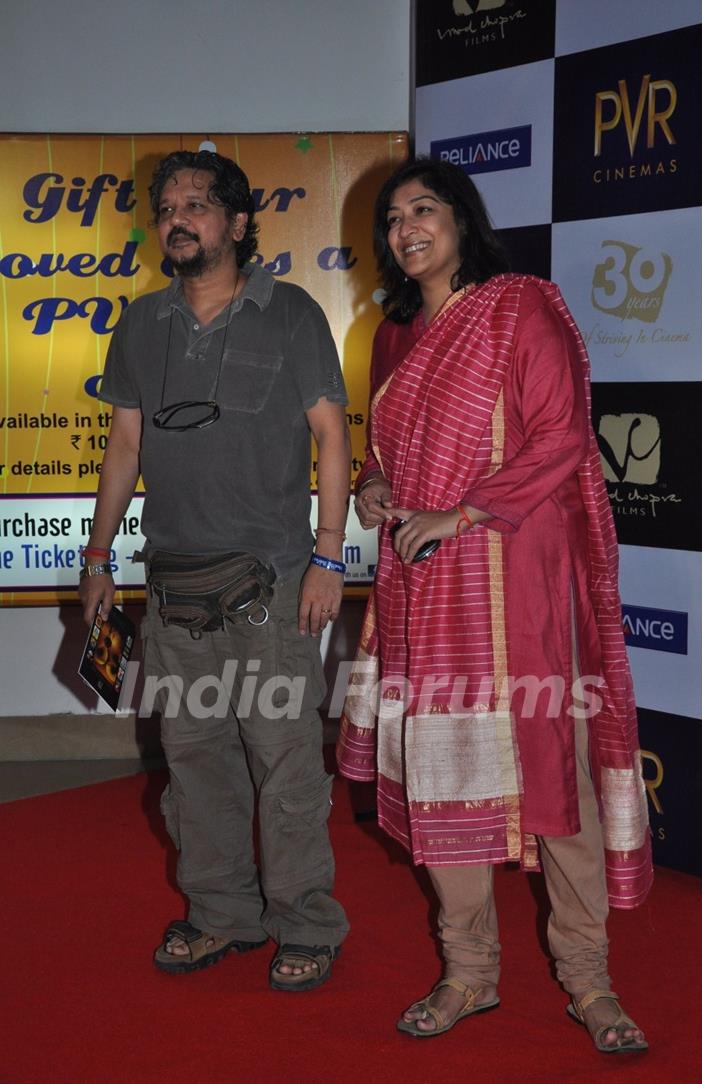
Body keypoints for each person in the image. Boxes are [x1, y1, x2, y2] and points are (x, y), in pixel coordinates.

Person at [337, 157, 652, 1049]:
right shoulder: (392, 337)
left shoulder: (522, 305)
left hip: (518, 583)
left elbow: (562, 436)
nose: (406, 229)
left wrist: (463, 510)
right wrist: (374, 487)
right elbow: (385, 454)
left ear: (462, 220)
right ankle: (469, 973)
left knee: (553, 777)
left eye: (423, 209)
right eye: (393, 218)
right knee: (447, 780)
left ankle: (590, 983)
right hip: (426, 587)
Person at [79, 148, 350, 992]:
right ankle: (221, 915)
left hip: (270, 586)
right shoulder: (140, 325)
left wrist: (328, 556)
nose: (176, 219)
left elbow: (333, 440)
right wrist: (98, 555)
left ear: (236, 223)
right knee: (195, 766)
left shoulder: (291, 313)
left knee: (287, 764)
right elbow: (125, 445)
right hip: (173, 589)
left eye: (196, 204)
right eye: (166, 208)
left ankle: (307, 923)